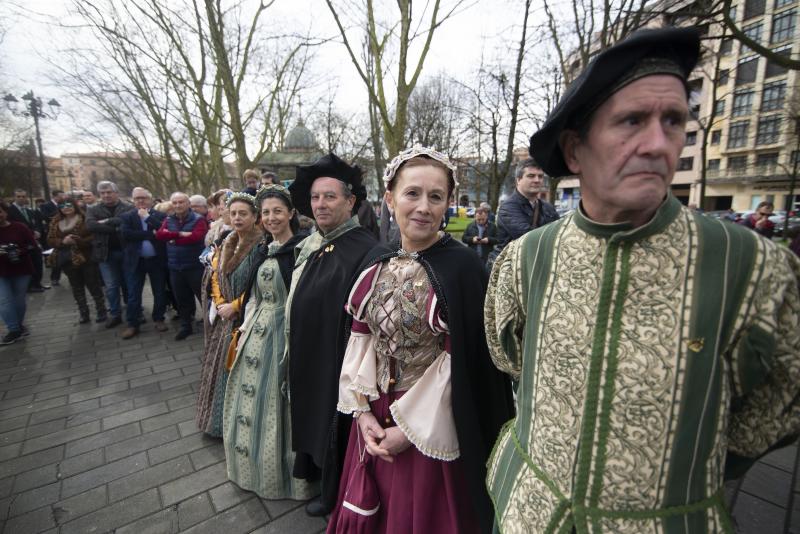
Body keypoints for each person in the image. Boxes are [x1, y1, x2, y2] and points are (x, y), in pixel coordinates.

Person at [484, 27, 800, 533]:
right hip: (531, 516)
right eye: (631, 121)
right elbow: (511, 358)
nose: (657, 144)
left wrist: (684, 463)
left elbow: (776, 407)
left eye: (673, 121)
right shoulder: (525, 258)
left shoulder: (751, 266)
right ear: (573, 151)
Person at [327, 146, 513, 534]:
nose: (423, 207)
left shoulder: (463, 268)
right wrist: (361, 412)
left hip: (432, 424)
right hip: (374, 417)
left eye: (436, 196)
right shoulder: (376, 259)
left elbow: (460, 365)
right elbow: (360, 340)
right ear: (391, 198)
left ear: (448, 203)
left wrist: (408, 432)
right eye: (413, 193)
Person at [286, 153, 376, 516]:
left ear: (350, 201)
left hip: (339, 362)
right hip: (311, 355)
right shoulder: (318, 243)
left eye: (330, 196)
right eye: (315, 197)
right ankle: (317, 477)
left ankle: (336, 493)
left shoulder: (366, 249)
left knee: (333, 425)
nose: (320, 204)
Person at [223, 184, 317, 500]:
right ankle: (248, 465)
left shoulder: (301, 251)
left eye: (277, 211)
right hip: (256, 334)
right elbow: (253, 294)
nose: (271, 217)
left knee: (279, 403)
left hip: (284, 335)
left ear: (291, 213)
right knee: (250, 395)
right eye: (265, 213)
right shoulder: (265, 248)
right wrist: (246, 324)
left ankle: (282, 475)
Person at [196, 192, 263, 436]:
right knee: (219, 368)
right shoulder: (227, 240)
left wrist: (235, 305)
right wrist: (221, 301)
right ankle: (217, 422)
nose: (237, 218)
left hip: (247, 316)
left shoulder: (261, 245)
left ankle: (241, 424)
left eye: (243, 213)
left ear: (255, 216)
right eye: (233, 213)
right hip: (225, 319)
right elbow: (216, 275)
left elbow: (260, 285)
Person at [487, 159, 559, 267]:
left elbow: (560, 234)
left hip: (535, 266)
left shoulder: (548, 207)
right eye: (531, 176)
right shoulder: (508, 207)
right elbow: (529, 237)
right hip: (510, 269)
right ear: (518, 180)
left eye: (540, 176)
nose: (537, 180)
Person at [156, 192, 208, 340]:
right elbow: (160, 235)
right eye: (175, 202)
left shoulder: (199, 220)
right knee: (181, 299)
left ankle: (210, 326)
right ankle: (186, 326)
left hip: (195, 266)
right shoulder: (168, 219)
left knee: (203, 297)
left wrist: (171, 236)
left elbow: (195, 237)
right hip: (175, 267)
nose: (177, 205)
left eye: (181, 202)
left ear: (188, 204)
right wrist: (180, 234)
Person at [47, 200, 107, 324]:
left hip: (86, 257)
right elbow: (50, 240)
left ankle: (101, 311)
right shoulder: (55, 222)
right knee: (76, 287)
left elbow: (94, 236)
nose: (66, 208)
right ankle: (83, 313)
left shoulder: (85, 218)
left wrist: (78, 241)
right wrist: (62, 242)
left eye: (69, 205)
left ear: (74, 206)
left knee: (93, 285)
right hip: (67, 259)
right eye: (62, 206)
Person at [120, 188, 169, 339]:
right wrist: (150, 234)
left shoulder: (159, 215)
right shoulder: (127, 216)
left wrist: (148, 218)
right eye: (137, 199)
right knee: (134, 293)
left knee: (159, 291)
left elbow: (163, 232)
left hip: (156, 260)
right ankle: (133, 323)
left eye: (143, 198)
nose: (140, 201)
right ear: (133, 201)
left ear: (150, 199)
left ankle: (159, 318)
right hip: (136, 261)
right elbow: (126, 235)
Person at [86, 181, 134, 328]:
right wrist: (116, 227)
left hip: (126, 251)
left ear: (116, 192)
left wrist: (107, 222)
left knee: (129, 284)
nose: (106, 195)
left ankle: (133, 313)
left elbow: (128, 223)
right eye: (102, 193)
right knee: (111, 286)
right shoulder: (93, 209)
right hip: (105, 253)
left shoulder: (128, 207)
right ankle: (115, 314)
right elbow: (91, 226)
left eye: (109, 192)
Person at [0, 201, 38, 344]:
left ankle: (19, 326)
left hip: (21, 268)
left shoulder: (19, 227)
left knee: (18, 300)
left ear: (5, 213)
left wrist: (17, 251)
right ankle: (14, 330)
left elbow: (32, 245)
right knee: (4, 301)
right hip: (1, 271)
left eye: (0, 212)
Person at [8, 189, 48, 292]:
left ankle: (37, 283)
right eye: (19, 196)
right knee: (29, 264)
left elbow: (36, 223)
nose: (21, 198)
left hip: (34, 241)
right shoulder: (9, 211)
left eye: (23, 196)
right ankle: (30, 286)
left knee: (38, 263)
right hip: (21, 243)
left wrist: (37, 231)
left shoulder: (30, 211)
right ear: (14, 197)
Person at [39, 190, 67, 287]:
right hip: (53, 234)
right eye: (61, 196)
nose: (63, 198)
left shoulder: (65, 204)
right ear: (55, 196)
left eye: (63, 196)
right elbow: (45, 217)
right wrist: (58, 212)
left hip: (64, 232)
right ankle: (55, 278)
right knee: (55, 257)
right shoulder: (45, 206)